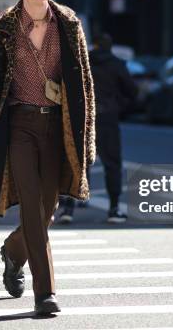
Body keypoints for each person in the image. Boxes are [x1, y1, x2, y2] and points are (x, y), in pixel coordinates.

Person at [0, 0, 95, 316]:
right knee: (31, 205)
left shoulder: (69, 24)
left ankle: (12, 251)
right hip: (19, 125)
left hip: (58, 126)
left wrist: (85, 134)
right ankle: (46, 293)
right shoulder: (2, 30)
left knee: (47, 211)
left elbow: (84, 82)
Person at [58, 33, 138, 224]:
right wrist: (118, 106)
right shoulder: (117, 64)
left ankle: (68, 209)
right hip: (108, 117)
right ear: (110, 47)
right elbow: (132, 92)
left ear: (93, 45)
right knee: (112, 164)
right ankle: (114, 209)